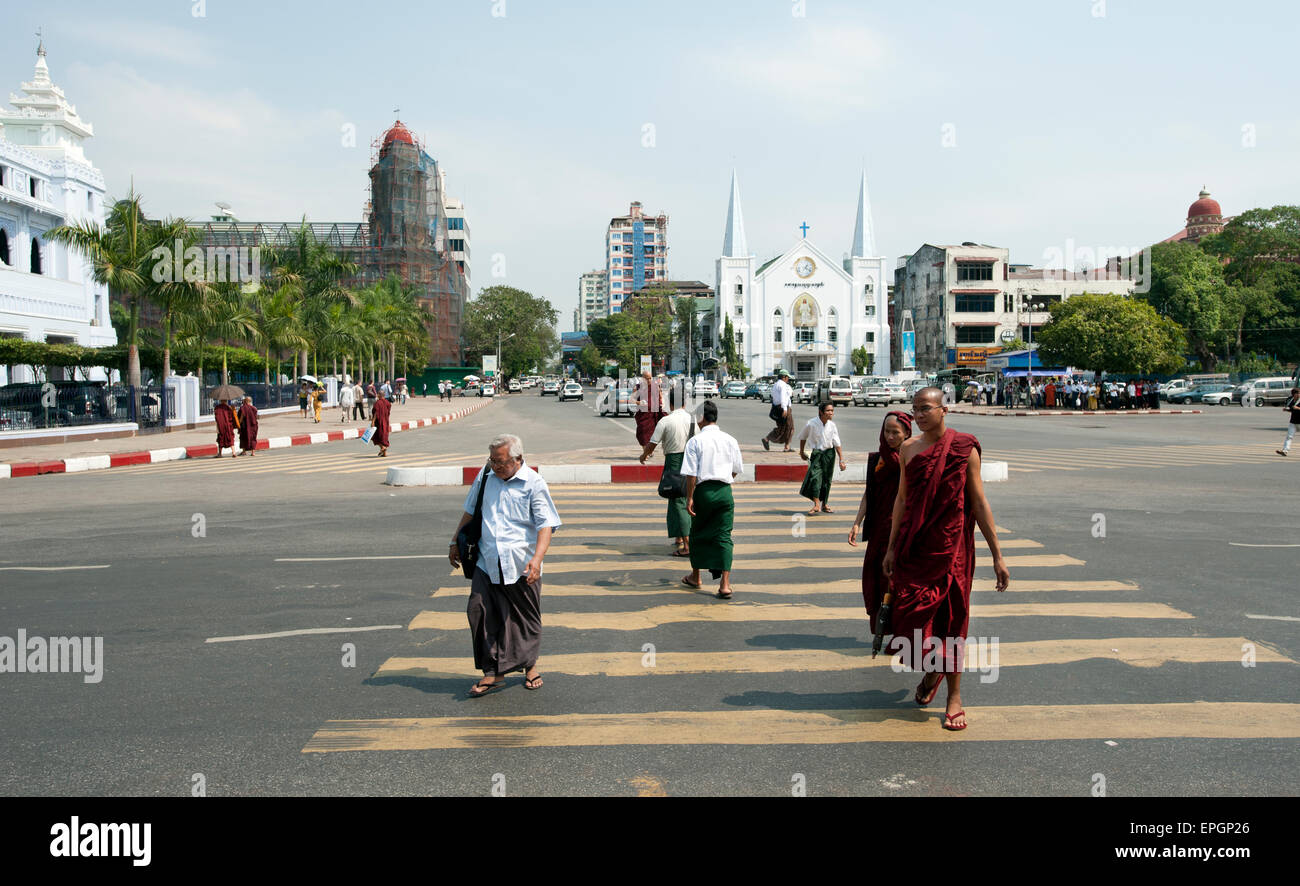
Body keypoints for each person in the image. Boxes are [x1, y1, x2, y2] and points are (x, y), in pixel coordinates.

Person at [882, 387, 1010, 731]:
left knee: (953, 622)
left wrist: (997, 555)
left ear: (944, 410)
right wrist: (892, 547)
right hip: (915, 548)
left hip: (953, 550)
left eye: (926, 409)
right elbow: (902, 500)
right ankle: (934, 668)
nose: (920, 415)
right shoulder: (909, 449)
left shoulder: (964, 449)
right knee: (909, 620)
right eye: (916, 410)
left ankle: (954, 696)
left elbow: (979, 503)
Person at [448, 434, 561, 696]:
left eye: (500, 462)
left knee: (524, 619)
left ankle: (530, 666)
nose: (495, 466)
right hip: (487, 561)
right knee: (479, 611)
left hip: (521, 564)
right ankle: (493, 673)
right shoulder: (486, 475)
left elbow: (546, 525)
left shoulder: (534, 484)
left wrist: (537, 559)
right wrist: (455, 540)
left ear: (518, 459)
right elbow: (470, 508)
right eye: (492, 460)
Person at [849, 410, 914, 639]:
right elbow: (870, 493)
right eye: (887, 431)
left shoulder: (912, 458)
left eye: (896, 432)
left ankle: (902, 633)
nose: (890, 437)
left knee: (898, 582)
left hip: (903, 530)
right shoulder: (877, 460)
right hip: (879, 530)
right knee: (877, 580)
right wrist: (857, 522)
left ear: (907, 434)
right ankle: (881, 628)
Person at [680, 400, 744, 599]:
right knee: (724, 536)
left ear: (701, 418)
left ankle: (695, 576)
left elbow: (691, 475)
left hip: (703, 492)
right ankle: (725, 584)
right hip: (725, 492)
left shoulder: (695, 442)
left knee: (698, 533)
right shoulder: (730, 440)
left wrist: (690, 497)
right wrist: (723, 480)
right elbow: (736, 469)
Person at [639, 394, 697, 557]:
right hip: (690, 462)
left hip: (673, 462)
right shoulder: (693, 420)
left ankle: (687, 545)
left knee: (678, 500)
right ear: (684, 403)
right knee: (678, 499)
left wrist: (644, 456)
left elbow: (652, 444)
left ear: (670, 403)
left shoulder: (666, 421)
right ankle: (679, 538)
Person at [798, 401, 846, 515]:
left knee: (827, 480)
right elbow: (803, 437)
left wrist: (841, 459)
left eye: (832, 411)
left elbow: (836, 442)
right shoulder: (811, 423)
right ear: (821, 412)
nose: (831, 413)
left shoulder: (832, 425)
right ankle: (816, 504)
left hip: (829, 454)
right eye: (828, 411)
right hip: (817, 454)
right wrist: (801, 452)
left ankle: (825, 504)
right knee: (815, 477)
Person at [762, 369, 795, 452]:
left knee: (782, 427)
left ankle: (768, 439)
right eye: (787, 377)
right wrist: (784, 408)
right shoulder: (783, 385)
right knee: (789, 427)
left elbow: (774, 397)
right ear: (784, 377)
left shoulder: (775, 385)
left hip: (777, 407)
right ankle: (786, 446)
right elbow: (783, 397)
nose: (788, 379)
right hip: (783, 407)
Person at [634, 370, 665, 448]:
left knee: (652, 434)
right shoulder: (638, 387)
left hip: (653, 414)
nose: (649, 380)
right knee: (642, 433)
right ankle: (645, 449)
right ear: (642, 379)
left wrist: (662, 403)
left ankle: (648, 450)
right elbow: (631, 399)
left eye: (650, 378)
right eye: (647, 378)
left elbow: (660, 397)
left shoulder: (655, 386)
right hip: (643, 414)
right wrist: (639, 402)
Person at [1278, 388, 1300, 456]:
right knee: (1289, 437)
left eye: (1299, 393)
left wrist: (1298, 408)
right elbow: (1291, 409)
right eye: (1297, 393)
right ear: (1294, 394)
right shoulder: (1291, 401)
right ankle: (1285, 451)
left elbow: (1296, 408)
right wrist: (1286, 410)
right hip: (1293, 422)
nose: (1299, 395)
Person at [371, 389, 392, 456]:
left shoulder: (378, 403)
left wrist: (373, 421)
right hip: (386, 422)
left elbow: (376, 413)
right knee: (384, 437)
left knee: (376, 437)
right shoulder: (387, 403)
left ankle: (383, 448)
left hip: (379, 422)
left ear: (379, 395)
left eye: (378, 394)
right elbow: (388, 412)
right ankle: (384, 453)